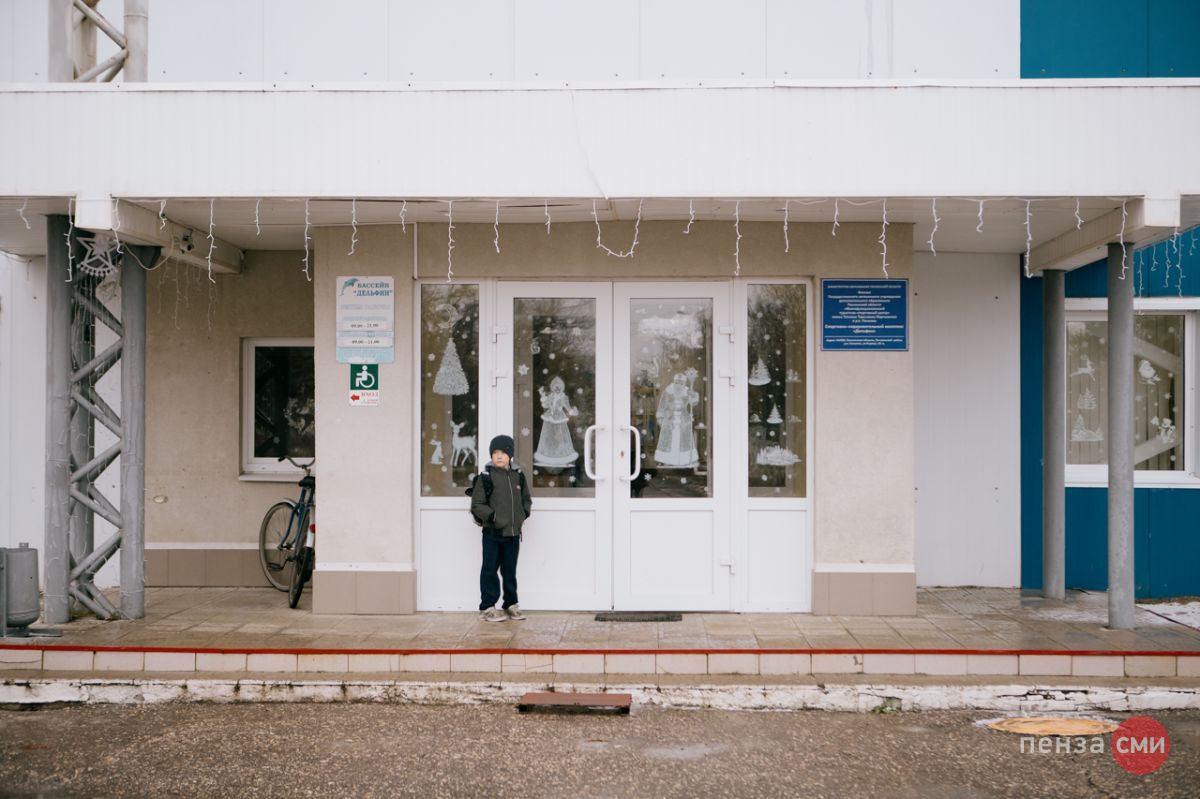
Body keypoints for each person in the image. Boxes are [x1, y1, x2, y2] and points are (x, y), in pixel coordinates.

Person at [471, 434, 532, 622]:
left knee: (509, 570)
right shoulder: (485, 477)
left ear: (510, 455)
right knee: (489, 570)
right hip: (493, 533)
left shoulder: (518, 476)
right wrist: (493, 517)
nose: (499, 456)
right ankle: (487, 607)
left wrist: (523, 515)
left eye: (503, 452)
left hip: (513, 534)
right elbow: (477, 504)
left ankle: (511, 604)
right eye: (495, 452)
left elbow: (526, 500)